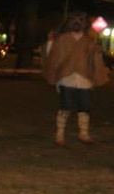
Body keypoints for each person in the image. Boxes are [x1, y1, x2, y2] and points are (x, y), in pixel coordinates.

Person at [42, 12, 110, 145]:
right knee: (65, 106)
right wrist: (50, 41)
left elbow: (94, 57)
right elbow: (53, 55)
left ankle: (83, 134)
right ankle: (60, 135)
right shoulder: (63, 39)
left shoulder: (88, 40)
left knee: (85, 107)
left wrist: (97, 50)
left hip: (84, 79)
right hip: (67, 78)